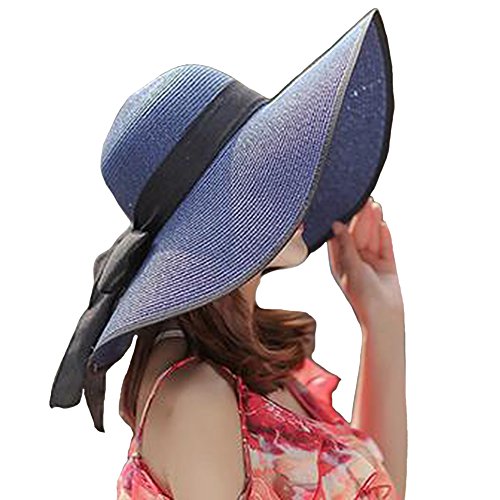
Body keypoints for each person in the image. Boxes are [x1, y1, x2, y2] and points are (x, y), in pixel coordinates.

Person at [117, 197, 406, 499]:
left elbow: (373, 490)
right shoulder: (198, 399)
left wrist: (382, 319)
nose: (298, 194)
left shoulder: (243, 357)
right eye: (262, 183)